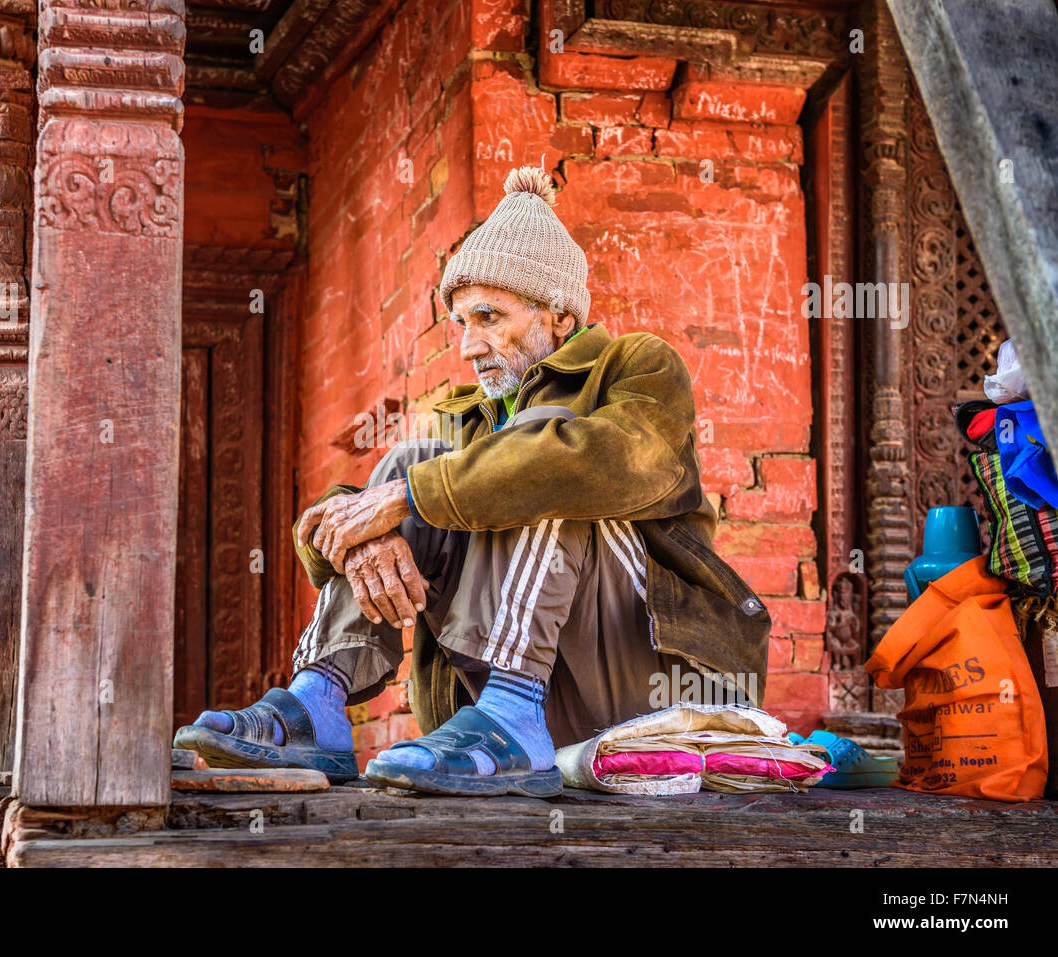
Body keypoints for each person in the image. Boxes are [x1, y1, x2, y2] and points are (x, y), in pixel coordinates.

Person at [176, 166, 770, 796]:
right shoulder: (465, 421)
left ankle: (512, 710)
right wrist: (373, 529)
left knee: (534, 454)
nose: (468, 345)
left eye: (489, 317)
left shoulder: (638, 367)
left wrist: (411, 499)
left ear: (559, 315)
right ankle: (318, 703)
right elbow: (360, 505)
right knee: (410, 462)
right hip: (513, 700)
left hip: (638, 686)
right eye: (460, 322)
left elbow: (601, 462)